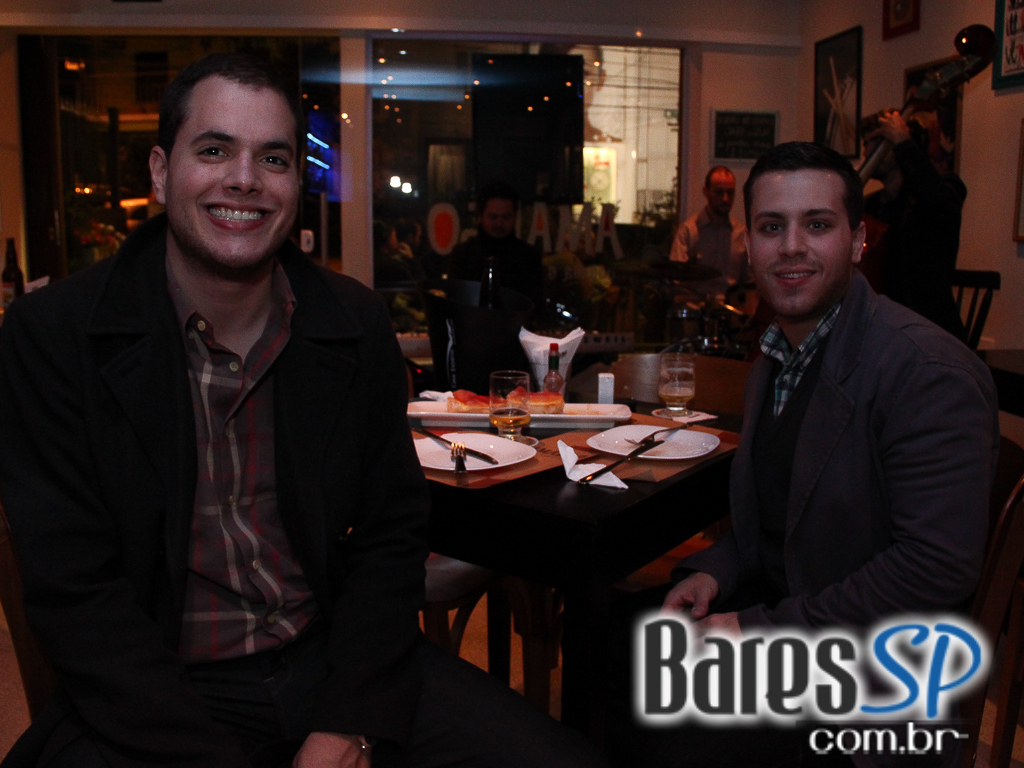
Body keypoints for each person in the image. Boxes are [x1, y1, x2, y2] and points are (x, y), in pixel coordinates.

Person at [0, 53, 606, 768]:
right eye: (214, 149)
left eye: (273, 158)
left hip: (332, 661)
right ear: (161, 173)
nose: (245, 179)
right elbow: (75, 594)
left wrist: (350, 722)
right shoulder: (55, 335)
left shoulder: (351, 320)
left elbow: (390, 534)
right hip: (158, 690)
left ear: (296, 182)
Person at [608, 141, 999, 767]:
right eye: (772, 227)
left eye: (817, 225)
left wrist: (756, 631)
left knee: (670, 731)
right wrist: (715, 572)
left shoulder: (928, 372)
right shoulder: (776, 354)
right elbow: (775, 517)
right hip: (795, 615)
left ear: (858, 240)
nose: (791, 246)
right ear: (751, 246)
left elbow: (934, 569)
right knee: (606, 640)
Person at [862, 109, 968, 342]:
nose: (867, 152)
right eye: (865, 144)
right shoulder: (869, 206)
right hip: (883, 327)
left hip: (929, 327)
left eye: (876, 142)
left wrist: (904, 142)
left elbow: (939, 201)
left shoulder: (943, 191)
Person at [447, 182, 544, 307]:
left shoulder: (529, 257)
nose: (499, 223)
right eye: (493, 217)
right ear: (480, 217)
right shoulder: (463, 255)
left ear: (515, 217)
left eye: (506, 217)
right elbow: (454, 303)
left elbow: (535, 306)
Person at [669, 166, 748, 299]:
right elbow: (676, 279)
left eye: (730, 193)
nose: (725, 199)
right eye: (719, 192)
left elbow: (750, 283)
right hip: (696, 304)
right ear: (706, 192)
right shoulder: (688, 231)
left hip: (730, 305)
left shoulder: (741, 234)